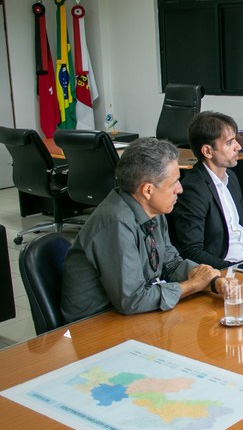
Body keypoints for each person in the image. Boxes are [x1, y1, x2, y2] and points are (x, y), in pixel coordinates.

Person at [61, 138, 226, 323]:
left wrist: (209, 279)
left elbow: (169, 264)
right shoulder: (117, 223)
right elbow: (132, 299)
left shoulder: (153, 210)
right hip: (95, 324)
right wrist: (192, 285)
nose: (180, 189)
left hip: (128, 314)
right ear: (147, 190)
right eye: (174, 183)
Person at [170, 111, 243, 269]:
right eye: (229, 143)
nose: (238, 147)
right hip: (224, 272)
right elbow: (191, 251)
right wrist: (235, 269)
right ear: (207, 151)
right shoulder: (193, 189)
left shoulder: (230, 177)